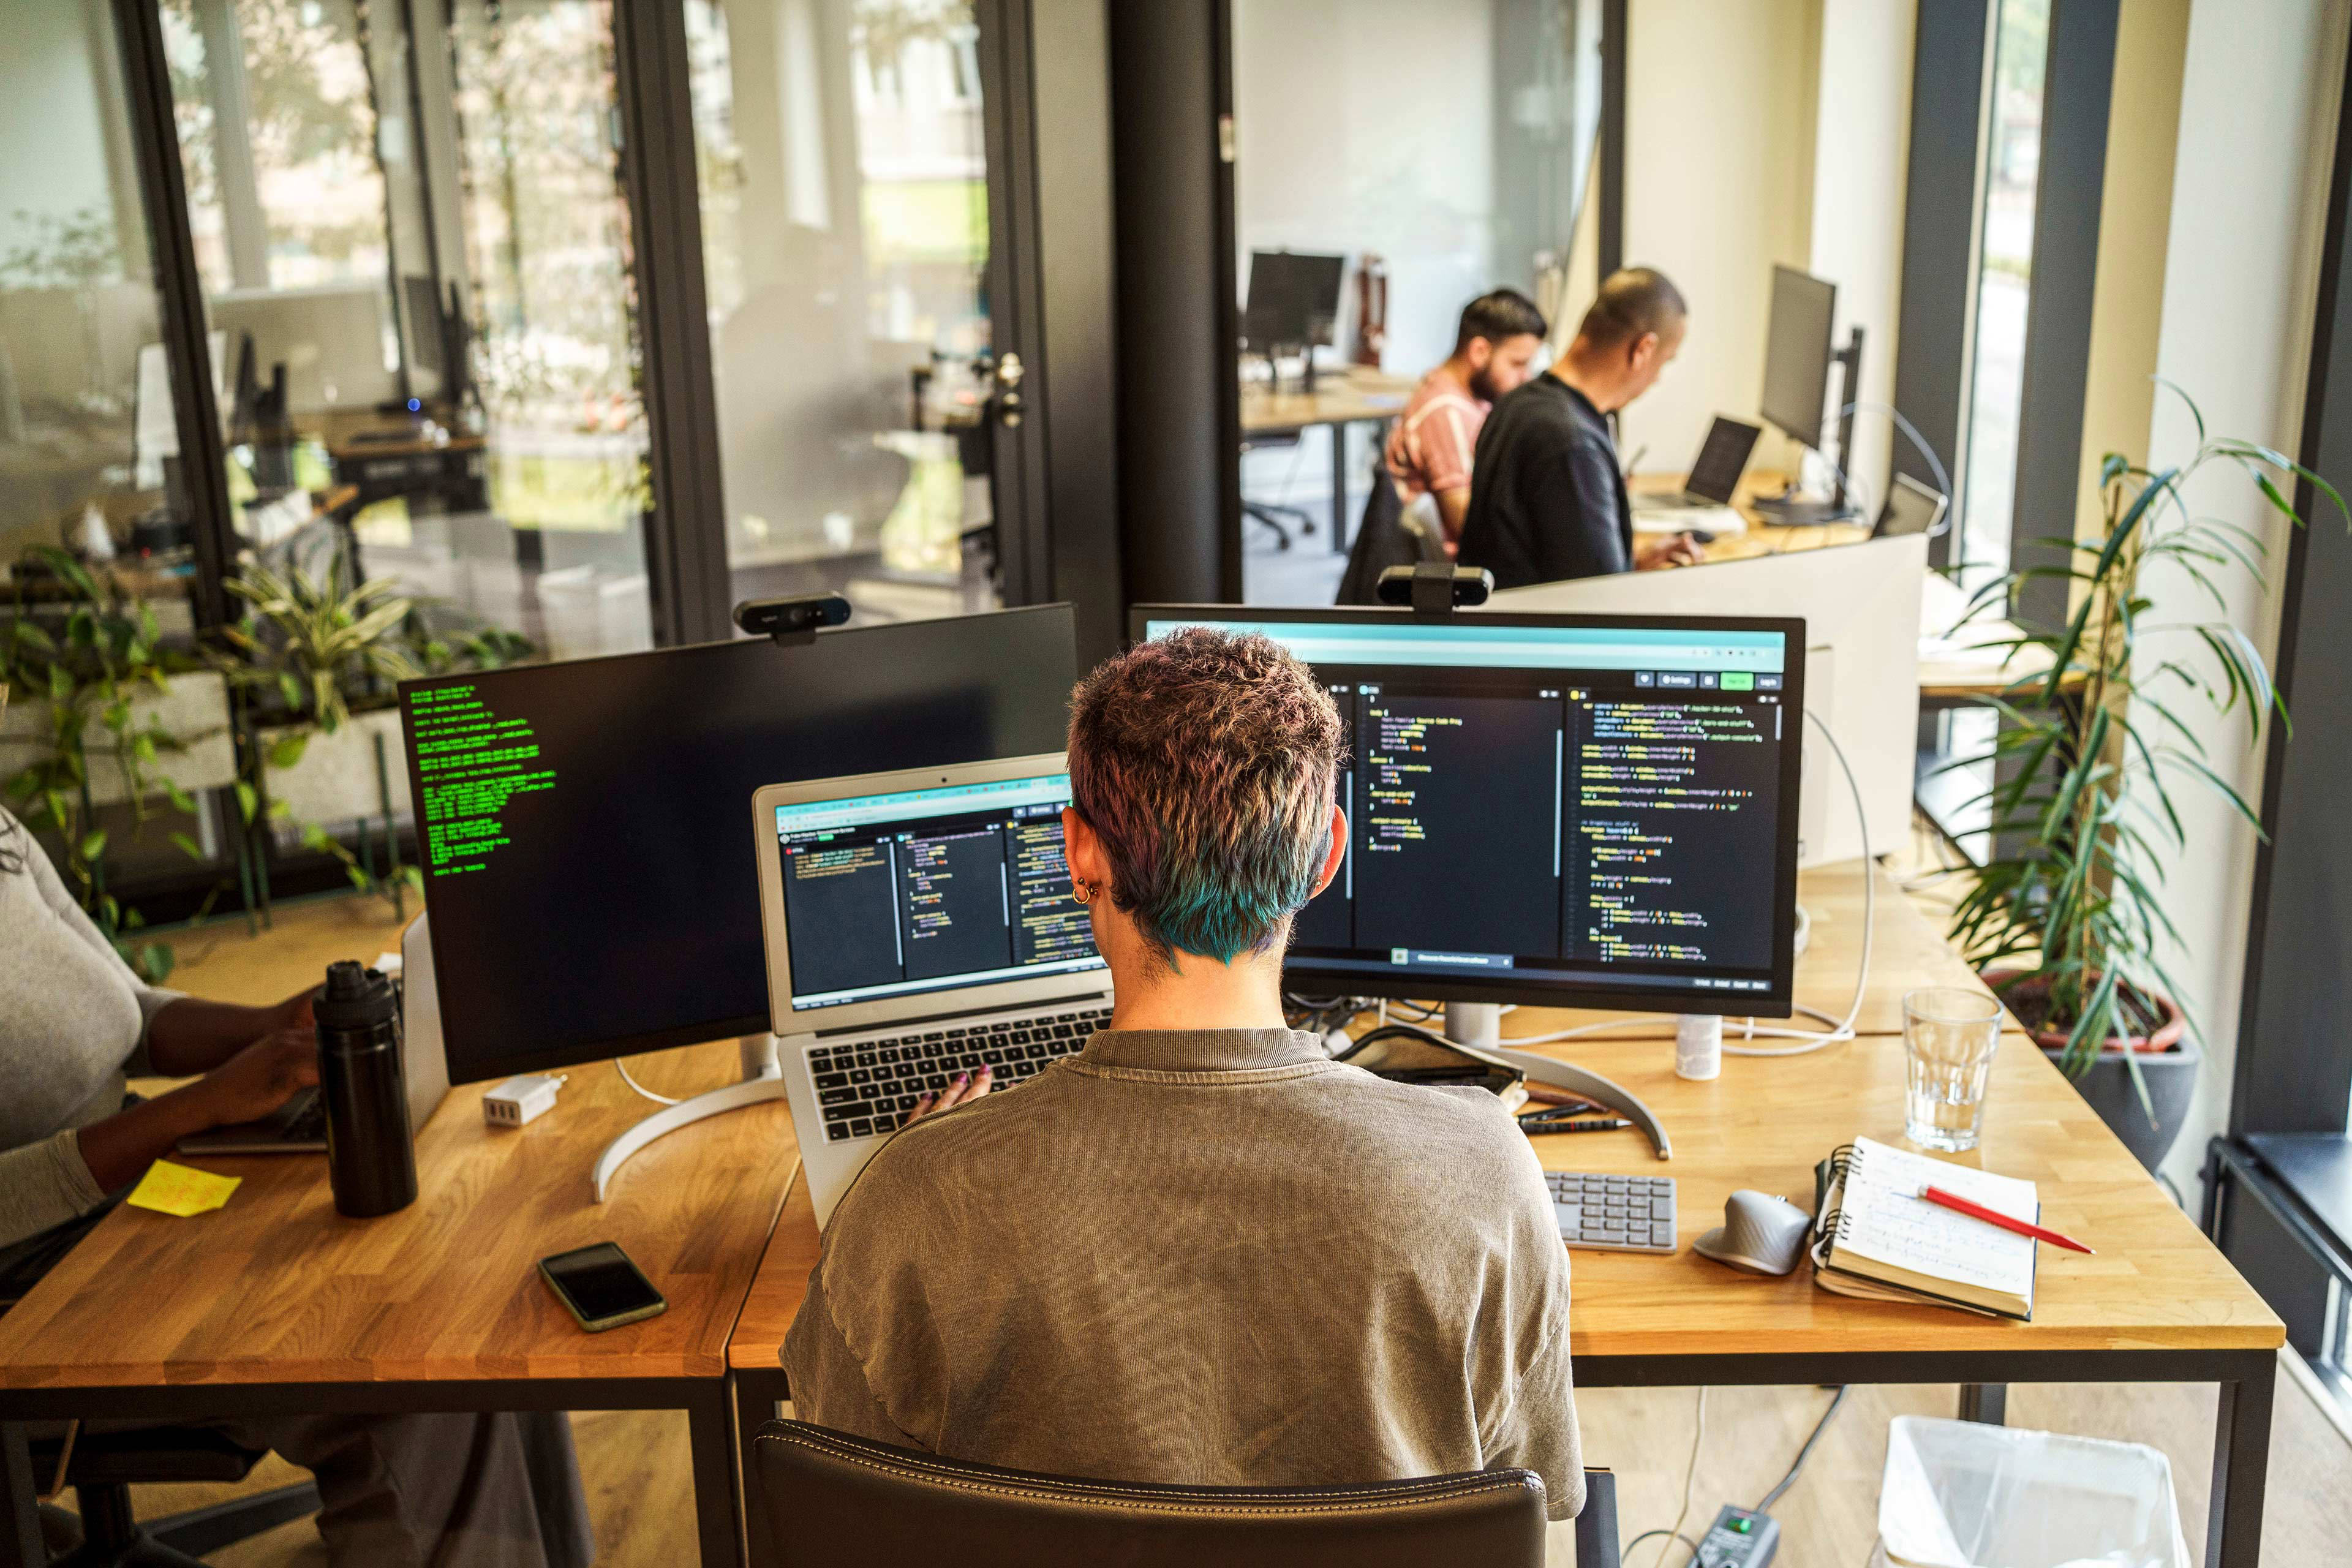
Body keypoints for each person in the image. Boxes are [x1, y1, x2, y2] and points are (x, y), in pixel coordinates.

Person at [783, 628, 1583, 1519]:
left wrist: (918, 1167)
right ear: (1325, 857)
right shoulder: (1487, 1171)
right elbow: (1537, 1497)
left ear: (1080, 852)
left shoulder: (913, 1198)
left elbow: (846, 1520)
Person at [0, 797, 594, 1568]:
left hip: (135, 1182)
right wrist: (200, 1106)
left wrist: (274, 1029)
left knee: (460, 1295)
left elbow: (133, 1016)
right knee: (396, 1370)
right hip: (31, 1282)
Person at [1458, 266, 1705, 589]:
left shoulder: (1516, 404)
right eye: (1665, 361)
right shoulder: (1572, 445)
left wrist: (1633, 564)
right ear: (1642, 349)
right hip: (1539, 635)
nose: (1657, 379)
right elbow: (1598, 606)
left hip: (1502, 624)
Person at [1383, 288, 1550, 550]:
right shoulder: (1447, 413)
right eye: (1517, 364)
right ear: (1479, 351)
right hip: (1460, 573)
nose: (1525, 378)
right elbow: (1467, 523)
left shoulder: (1454, 391)